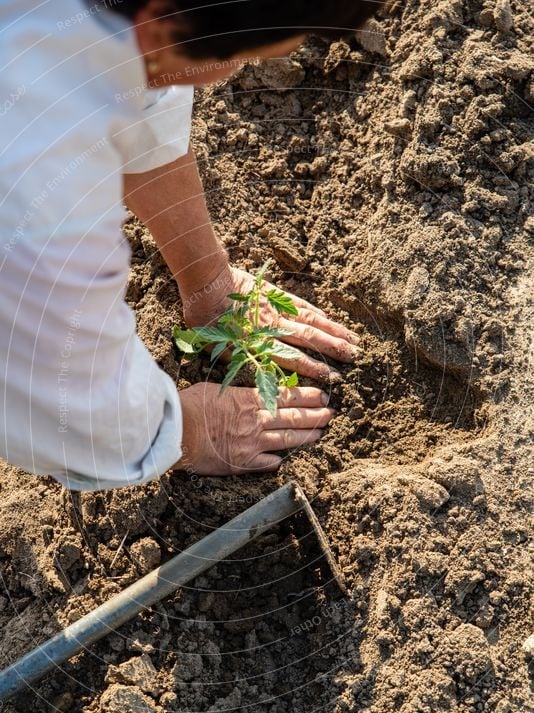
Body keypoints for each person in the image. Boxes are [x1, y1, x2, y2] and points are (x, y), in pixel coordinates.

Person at [0, 0, 378, 491]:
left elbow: (137, 89)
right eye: (239, 58)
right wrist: (188, 429)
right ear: (161, 23)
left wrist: (208, 281)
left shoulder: (103, 23)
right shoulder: (36, 186)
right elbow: (54, 394)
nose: (231, 72)